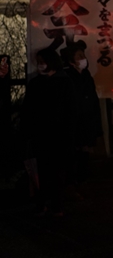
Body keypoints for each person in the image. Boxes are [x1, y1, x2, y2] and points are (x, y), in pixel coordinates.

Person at [22, 48, 79, 217]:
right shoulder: (35, 83)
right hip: (41, 135)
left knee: (57, 172)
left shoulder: (64, 83)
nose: (40, 65)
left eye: (43, 61)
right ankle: (42, 203)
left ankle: (56, 205)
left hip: (59, 136)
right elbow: (28, 110)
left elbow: (71, 111)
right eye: (38, 61)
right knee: (42, 171)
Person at [61, 43, 102, 183]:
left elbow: (93, 100)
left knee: (85, 153)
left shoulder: (87, 76)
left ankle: (83, 181)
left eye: (83, 56)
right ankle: (73, 184)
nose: (83, 59)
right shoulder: (66, 78)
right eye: (79, 56)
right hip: (74, 122)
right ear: (71, 61)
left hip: (88, 120)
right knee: (74, 154)